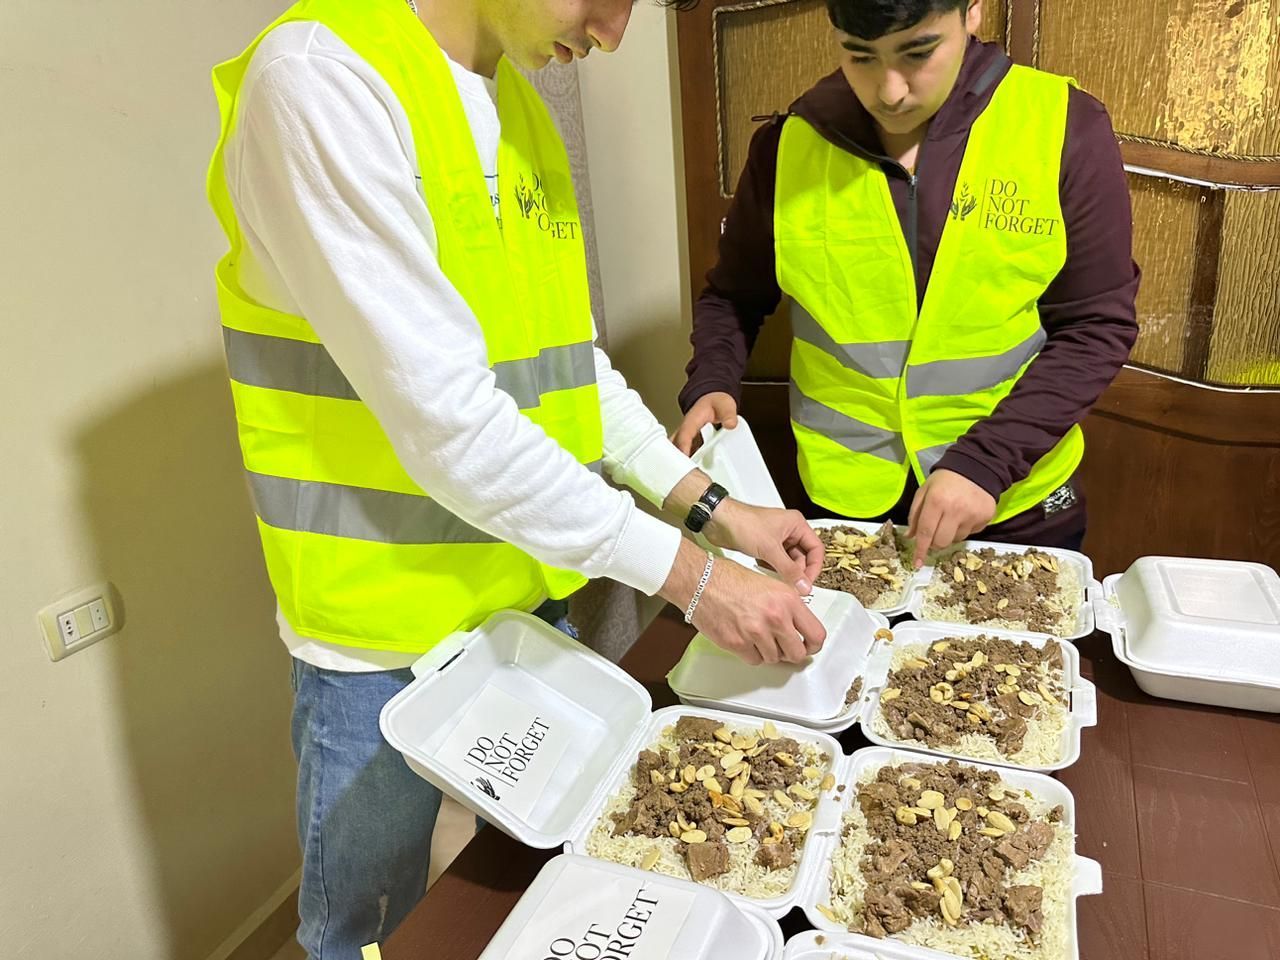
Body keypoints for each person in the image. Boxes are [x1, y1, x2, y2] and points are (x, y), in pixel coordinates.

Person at [206, 0, 826, 954]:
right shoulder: (321, 81)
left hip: (525, 603)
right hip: (383, 643)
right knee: (366, 933)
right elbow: (451, 424)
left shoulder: (522, 107)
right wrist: (696, 579)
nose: (616, 35)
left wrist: (714, 509)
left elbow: (569, 370)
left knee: (521, 897)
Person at [674, 0, 1139, 567]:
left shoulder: (1063, 125)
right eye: (859, 55)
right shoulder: (788, 144)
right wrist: (714, 378)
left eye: (918, 52)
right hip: (843, 509)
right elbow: (732, 296)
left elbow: (1096, 327)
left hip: (1014, 504)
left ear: (973, 11)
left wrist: (985, 463)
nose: (889, 90)